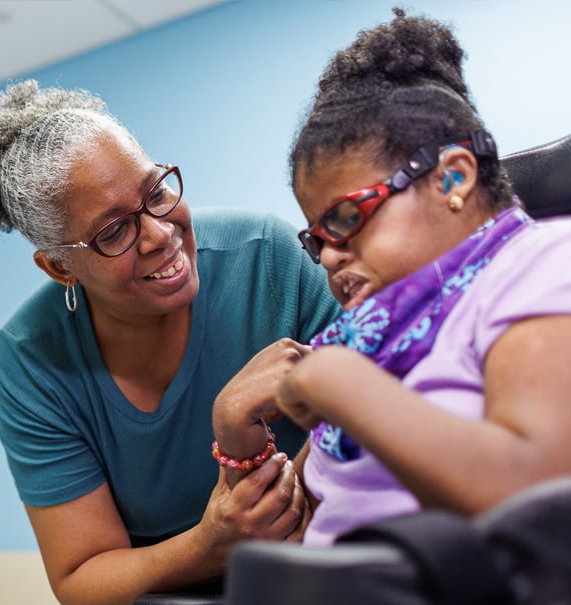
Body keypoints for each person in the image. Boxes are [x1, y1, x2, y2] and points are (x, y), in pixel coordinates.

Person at [0, 80, 341, 603]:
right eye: (113, 232)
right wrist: (212, 541)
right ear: (60, 266)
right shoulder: (31, 358)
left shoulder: (268, 258)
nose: (159, 234)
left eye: (156, 192)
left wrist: (278, 507)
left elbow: (379, 402)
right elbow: (81, 576)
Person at [212, 8, 571, 548]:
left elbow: (533, 500)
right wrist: (235, 434)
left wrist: (341, 386)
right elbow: (293, 544)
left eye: (346, 218)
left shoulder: (539, 264)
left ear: (452, 178)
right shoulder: (372, 340)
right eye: (317, 239)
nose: (329, 257)